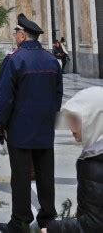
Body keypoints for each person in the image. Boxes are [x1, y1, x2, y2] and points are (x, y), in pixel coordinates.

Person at [0, 13, 63, 233]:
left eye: (16, 33)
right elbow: (58, 95)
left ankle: (21, 221)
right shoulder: (52, 60)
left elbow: (5, 98)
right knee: (45, 174)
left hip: (20, 130)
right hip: (44, 128)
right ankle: (48, 218)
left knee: (21, 177)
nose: (15, 36)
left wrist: (0, 123)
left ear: (22, 35)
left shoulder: (14, 60)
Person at [45, 86, 103, 232]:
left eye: (75, 120)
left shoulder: (95, 161)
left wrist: (54, 228)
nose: (70, 127)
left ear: (95, 118)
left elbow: (93, 225)